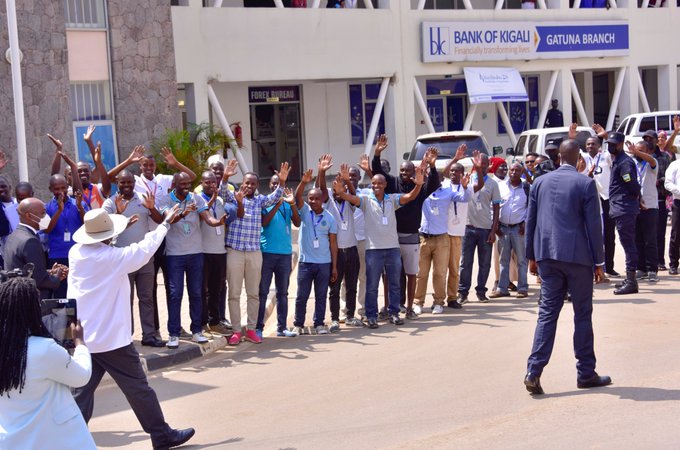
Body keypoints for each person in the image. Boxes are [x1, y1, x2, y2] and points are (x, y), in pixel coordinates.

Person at [69, 207, 195, 449]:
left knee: (81, 394)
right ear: (106, 237)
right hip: (111, 339)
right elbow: (142, 251)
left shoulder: (76, 253)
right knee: (138, 389)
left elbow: (113, 248)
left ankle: (68, 439)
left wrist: (115, 232)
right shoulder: (110, 258)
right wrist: (165, 224)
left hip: (84, 337)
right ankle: (161, 435)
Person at [524, 139, 611, 395]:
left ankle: (533, 371)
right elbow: (594, 225)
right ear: (578, 158)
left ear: (559, 157)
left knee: (547, 314)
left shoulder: (539, 182)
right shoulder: (585, 183)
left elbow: (531, 221)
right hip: (577, 257)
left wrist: (531, 256)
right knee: (582, 314)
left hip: (547, 256)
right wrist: (599, 262)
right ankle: (586, 373)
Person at [0, 277, 96, 449]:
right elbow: (81, 376)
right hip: (55, 440)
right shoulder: (44, 349)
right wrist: (80, 343)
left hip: (13, 442)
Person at [334, 166, 425, 328]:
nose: (376, 186)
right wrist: (341, 191)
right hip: (373, 250)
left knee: (395, 284)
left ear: (385, 185)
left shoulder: (392, 199)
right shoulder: (365, 200)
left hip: (393, 249)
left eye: (379, 183)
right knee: (372, 285)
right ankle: (371, 316)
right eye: (373, 183)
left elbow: (410, 197)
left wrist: (418, 185)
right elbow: (350, 198)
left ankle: (394, 313)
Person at [220, 160, 289, 345]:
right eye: (247, 183)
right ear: (242, 183)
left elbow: (275, 197)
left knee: (253, 294)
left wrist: (282, 181)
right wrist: (225, 176)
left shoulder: (260, 201)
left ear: (257, 186)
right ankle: (236, 331)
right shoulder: (233, 197)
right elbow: (222, 191)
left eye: (253, 183)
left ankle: (251, 330)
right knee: (234, 294)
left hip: (254, 253)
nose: (249, 186)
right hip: (234, 252)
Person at [371, 135, 441, 317]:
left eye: (407, 171)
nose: (403, 174)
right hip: (392, 238)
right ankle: (387, 307)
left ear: (413, 172)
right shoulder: (392, 183)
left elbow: (434, 184)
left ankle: (409, 308)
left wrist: (432, 166)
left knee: (411, 274)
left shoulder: (420, 188)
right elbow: (377, 171)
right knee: (389, 275)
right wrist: (377, 153)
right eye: (401, 170)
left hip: (411, 237)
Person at [158, 172, 228, 348]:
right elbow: (169, 219)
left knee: (196, 293)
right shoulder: (166, 200)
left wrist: (217, 222)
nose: (186, 187)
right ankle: (174, 334)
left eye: (188, 183)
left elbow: (207, 218)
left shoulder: (196, 199)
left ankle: (197, 330)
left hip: (196, 253)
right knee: (175, 294)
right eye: (182, 184)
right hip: (174, 255)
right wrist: (183, 213)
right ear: (174, 184)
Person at [102, 170, 165, 347]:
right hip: (122, 258)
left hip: (144, 257)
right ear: (117, 183)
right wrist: (119, 213)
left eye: (129, 182)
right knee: (124, 299)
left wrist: (151, 207)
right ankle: (126, 338)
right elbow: (106, 229)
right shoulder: (110, 203)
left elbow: (159, 220)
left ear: (134, 183)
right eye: (123, 182)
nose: (127, 185)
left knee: (147, 298)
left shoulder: (144, 199)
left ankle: (149, 336)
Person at [414, 161, 471, 314]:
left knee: (439, 273)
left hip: (441, 239)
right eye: (430, 178)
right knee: (421, 273)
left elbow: (464, 198)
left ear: (440, 180)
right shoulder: (422, 191)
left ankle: (439, 302)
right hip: (424, 238)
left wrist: (465, 187)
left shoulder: (448, 192)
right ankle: (418, 302)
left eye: (436, 179)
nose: (433, 181)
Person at [292, 169, 338, 335]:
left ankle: (319, 324)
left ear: (322, 200)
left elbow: (333, 243)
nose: (313, 201)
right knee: (301, 296)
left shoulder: (330, 218)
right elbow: (297, 197)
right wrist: (304, 182)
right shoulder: (305, 211)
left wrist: (334, 267)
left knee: (321, 295)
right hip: (305, 262)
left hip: (324, 263)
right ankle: (298, 324)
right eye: (311, 198)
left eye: (317, 198)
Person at [317, 159, 362, 330]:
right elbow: (322, 190)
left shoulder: (349, 203)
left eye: (341, 188)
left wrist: (347, 181)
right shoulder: (329, 203)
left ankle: (350, 316)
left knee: (351, 286)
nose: (338, 191)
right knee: (334, 287)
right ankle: (335, 319)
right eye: (335, 188)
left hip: (351, 250)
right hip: (335, 253)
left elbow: (354, 195)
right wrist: (321, 172)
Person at [440, 147, 484, 310]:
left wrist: (478, 168)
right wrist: (455, 158)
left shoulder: (467, 187)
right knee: (440, 269)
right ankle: (439, 299)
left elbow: (480, 184)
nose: (453, 173)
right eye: (452, 171)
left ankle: (452, 297)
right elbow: (442, 173)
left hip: (457, 233)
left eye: (457, 171)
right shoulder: (444, 185)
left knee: (454, 268)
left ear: (462, 173)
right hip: (442, 232)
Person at [258, 175, 300, 338]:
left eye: (278, 184)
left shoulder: (288, 203)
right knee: (263, 292)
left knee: (282, 293)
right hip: (267, 253)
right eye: (273, 183)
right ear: (269, 185)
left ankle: (282, 327)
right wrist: (277, 203)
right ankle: (258, 328)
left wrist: (292, 203)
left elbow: (297, 222)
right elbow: (265, 222)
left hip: (284, 254)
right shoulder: (264, 202)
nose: (276, 186)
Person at [458, 153, 501, 304]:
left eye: (484, 164)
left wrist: (493, 230)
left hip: (485, 229)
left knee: (485, 263)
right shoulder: (467, 179)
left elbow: (496, 208)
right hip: (467, 227)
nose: (481, 166)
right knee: (465, 263)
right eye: (478, 163)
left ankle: (481, 292)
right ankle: (463, 293)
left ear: (488, 165)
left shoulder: (493, 184)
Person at [2, 198, 67, 298]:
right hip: (29, 300)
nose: (46, 216)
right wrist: (57, 276)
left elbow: (24, 270)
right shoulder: (30, 240)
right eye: (43, 213)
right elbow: (40, 280)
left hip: (16, 297)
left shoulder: (14, 236)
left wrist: (48, 272)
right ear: (29, 216)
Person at [199, 171, 237, 339]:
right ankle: (202, 324)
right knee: (202, 290)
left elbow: (233, 215)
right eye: (207, 182)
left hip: (220, 251)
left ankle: (215, 322)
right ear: (201, 183)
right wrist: (211, 201)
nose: (211, 185)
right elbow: (201, 218)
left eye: (213, 182)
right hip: (203, 251)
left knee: (216, 289)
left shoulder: (221, 201)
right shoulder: (197, 199)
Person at [607, 132, 641, 295]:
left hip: (624, 208)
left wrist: (632, 198)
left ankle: (632, 281)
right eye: (608, 143)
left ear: (620, 144)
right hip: (620, 207)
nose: (610, 146)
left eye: (613, 144)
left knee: (628, 244)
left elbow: (633, 185)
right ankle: (629, 278)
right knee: (626, 243)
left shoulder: (624, 162)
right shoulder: (617, 160)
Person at [45, 160, 85, 298]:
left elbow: (87, 224)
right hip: (57, 257)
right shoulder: (47, 207)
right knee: (61, 295)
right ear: (50, 189)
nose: (61, 191)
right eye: (56, 189)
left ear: (68, 186)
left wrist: (80, 207)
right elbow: (47, 230)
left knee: (78, 292)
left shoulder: (78, 203)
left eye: (63, 188)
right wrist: (59, 210)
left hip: (78, 254)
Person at [490, 162, 530, 299]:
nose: (513, 172)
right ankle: (502, 288)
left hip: (519, 229)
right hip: (502, 229)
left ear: (521, 172)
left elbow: (531, 206)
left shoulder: (526, 187)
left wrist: (525, 223)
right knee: (503, 260)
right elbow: (493, 206)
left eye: (517, 170)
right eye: (511, 170)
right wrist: (495, 225)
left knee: (522, 260)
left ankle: (522, 288)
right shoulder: (500, 186)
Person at [583, 130, 617, 277]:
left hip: (606, 198)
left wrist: (606, 136)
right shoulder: (582, 158)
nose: (590, 146)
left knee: (609, 234)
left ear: (599, 146)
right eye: (588, 144)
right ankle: (593, 267)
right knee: (592, 234)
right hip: (590, 199)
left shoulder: (605, 156)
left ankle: (609, 267)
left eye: (593, 144)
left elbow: (615, 152)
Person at [628, 140, 659, 282]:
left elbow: (651, 160)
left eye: (641, 150)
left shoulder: (652, 163)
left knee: (650, 240)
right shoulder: (633, 163)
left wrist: (636, 152)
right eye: (636, 150)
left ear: (647, 151)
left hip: (650, 206)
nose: (637, 153)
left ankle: (652, 269)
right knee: (637, 240)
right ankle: (641, 268)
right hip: (635, 206)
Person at [644, 127, 674, 272]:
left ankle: (660, 261)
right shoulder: (641, 156)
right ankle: (645, 263)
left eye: (651, 139)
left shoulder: (664, 157)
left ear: (656, 141)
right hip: (643, 200)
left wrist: (659, 181)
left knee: (659, 233)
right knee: (644, 234)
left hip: (660, 199)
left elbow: (669, 177)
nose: (648, 141)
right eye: (646, 139)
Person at [663, 153, 680, 274]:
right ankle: (673, 264)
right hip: (679, 202)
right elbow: (668, 183)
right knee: (676, 234)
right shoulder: (675, 165)